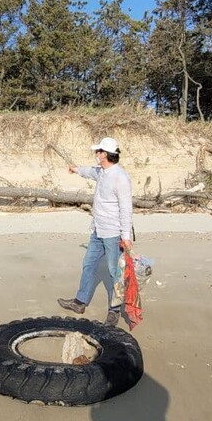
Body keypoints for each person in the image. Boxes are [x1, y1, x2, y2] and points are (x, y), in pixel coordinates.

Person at [58, 137, 134, 327]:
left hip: (113, 234)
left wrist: (126, 237)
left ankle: (114, 311)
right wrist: (75, 169)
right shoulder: (101, 172)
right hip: (97, 231)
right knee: (88, 265)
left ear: (106, 155)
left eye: (99, 151)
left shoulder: (121, 178)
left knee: (113, 271)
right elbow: (89, 171)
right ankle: (80, 302)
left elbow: (126, 209)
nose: (96, 154)